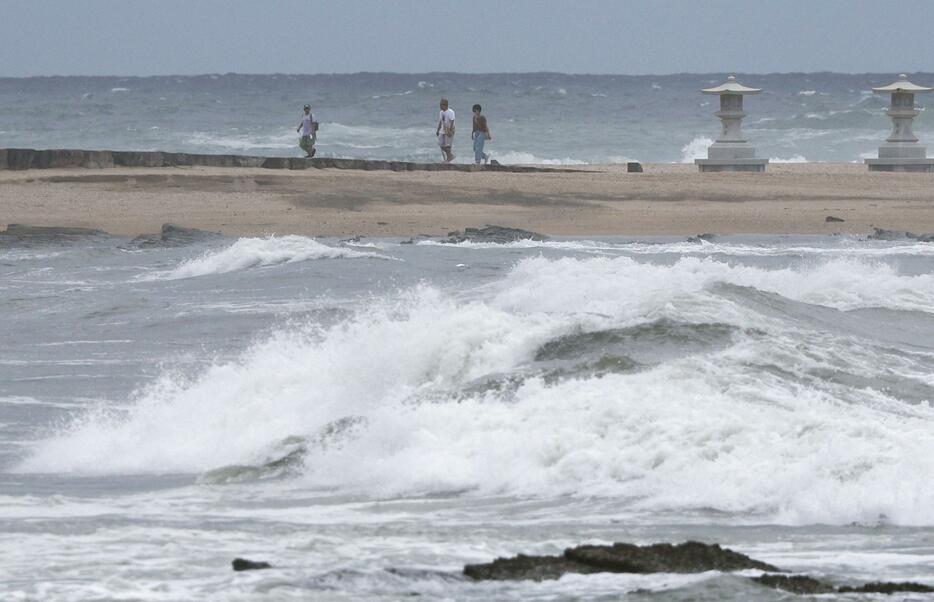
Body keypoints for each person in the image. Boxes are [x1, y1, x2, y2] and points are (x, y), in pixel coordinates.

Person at [435, 98, 455, 162]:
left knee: (447, 145)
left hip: (450, 129)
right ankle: (450, 155)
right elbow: (440, 122)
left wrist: (450, 131)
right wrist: (438, 130)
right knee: (441, 144)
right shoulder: (441, 112)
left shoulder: (450, 112)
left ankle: (449, 158)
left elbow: (452, 121)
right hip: (443, 129)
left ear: (445, 105)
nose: (440, 106)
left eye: (441, 105)